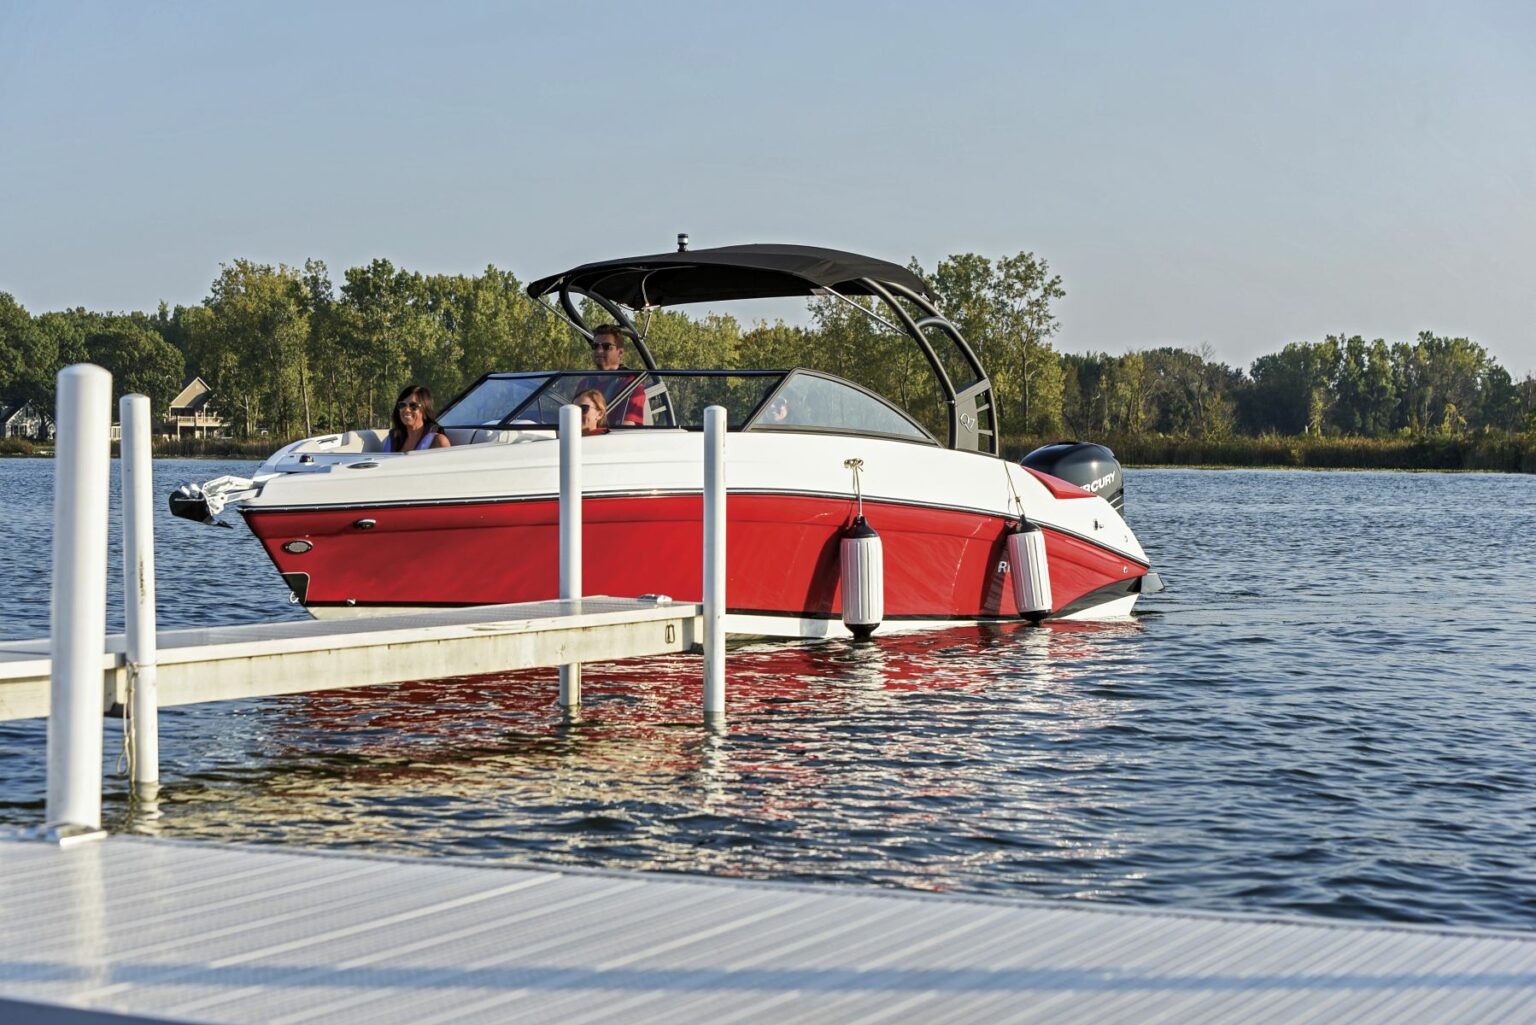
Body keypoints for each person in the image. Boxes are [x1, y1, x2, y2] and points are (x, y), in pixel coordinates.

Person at [579, 325, 647, 427]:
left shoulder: (632, 386)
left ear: (620, 353)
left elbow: (627, 428)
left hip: (611, 440)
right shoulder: (585, 383)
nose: (599, 350)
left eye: (606, 346)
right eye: (595, 346)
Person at [383, 385, 452, 452]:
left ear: (425, 410)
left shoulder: (439, 441)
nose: (407, 410)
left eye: (413, 405)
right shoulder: (393, 441)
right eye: (402, 405)